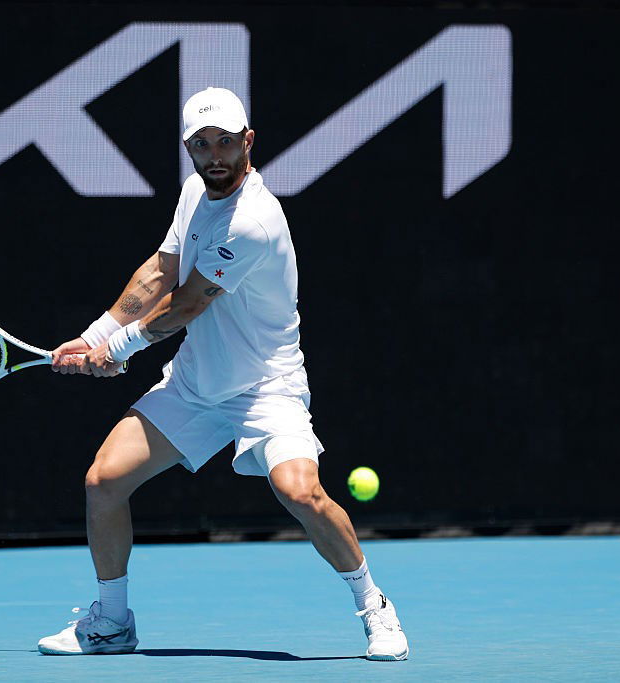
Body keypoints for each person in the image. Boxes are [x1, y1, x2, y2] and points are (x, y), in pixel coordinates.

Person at [37, 87, 409, 661]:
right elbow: (161, 270)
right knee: (103, 482)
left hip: (267, 389)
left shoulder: (253, 220)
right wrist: (95, 335)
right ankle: (111, 622)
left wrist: (121, 348)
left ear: (248, 142)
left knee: (301, 492)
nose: (215, 155)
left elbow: (188, 302)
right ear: (189, 148)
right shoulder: (194, 193)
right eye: (202, 144)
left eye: (226, 142)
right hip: (196, 384)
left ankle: (374, 606)